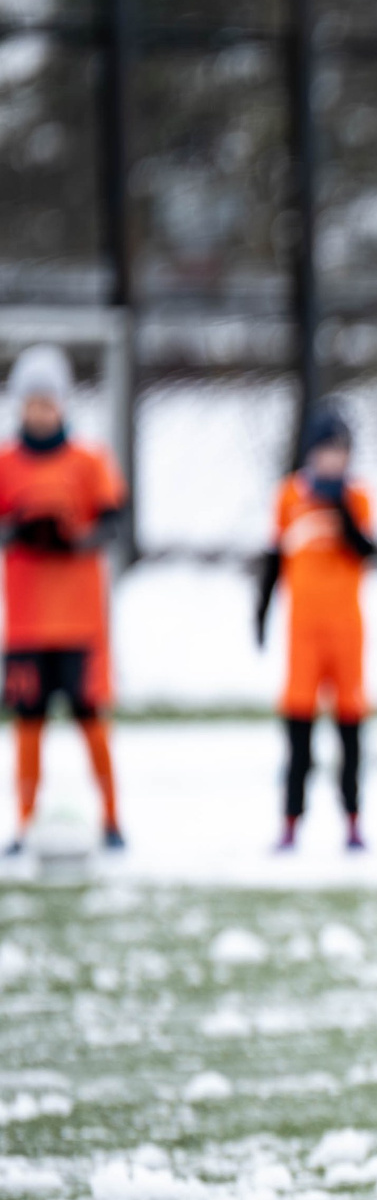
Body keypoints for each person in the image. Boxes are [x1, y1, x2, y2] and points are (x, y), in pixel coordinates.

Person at [0, 346, 124, 852]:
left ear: (63, 404)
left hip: (79, 623)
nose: (40, 411)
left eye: (47, 401)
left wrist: (74, 539)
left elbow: (113, 521)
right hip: (27, 625)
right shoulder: (6, 464)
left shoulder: (89, 461)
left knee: (92, 723)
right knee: (28, 727)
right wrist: (21, 530)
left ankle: (112, 819)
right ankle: (24, 823)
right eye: (31, 402)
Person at [255, 405, 374, 850]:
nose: (331, 460)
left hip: (346, 631)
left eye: (339, 451)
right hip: (303, 632)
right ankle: (290, 821)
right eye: (325, 451)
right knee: (299, 730)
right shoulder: (290, 497)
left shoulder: (357, 497)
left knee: (350, 728)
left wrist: (339, 505)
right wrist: (260, 612)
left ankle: (353, 821)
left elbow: (366, 549)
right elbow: (274, 559)